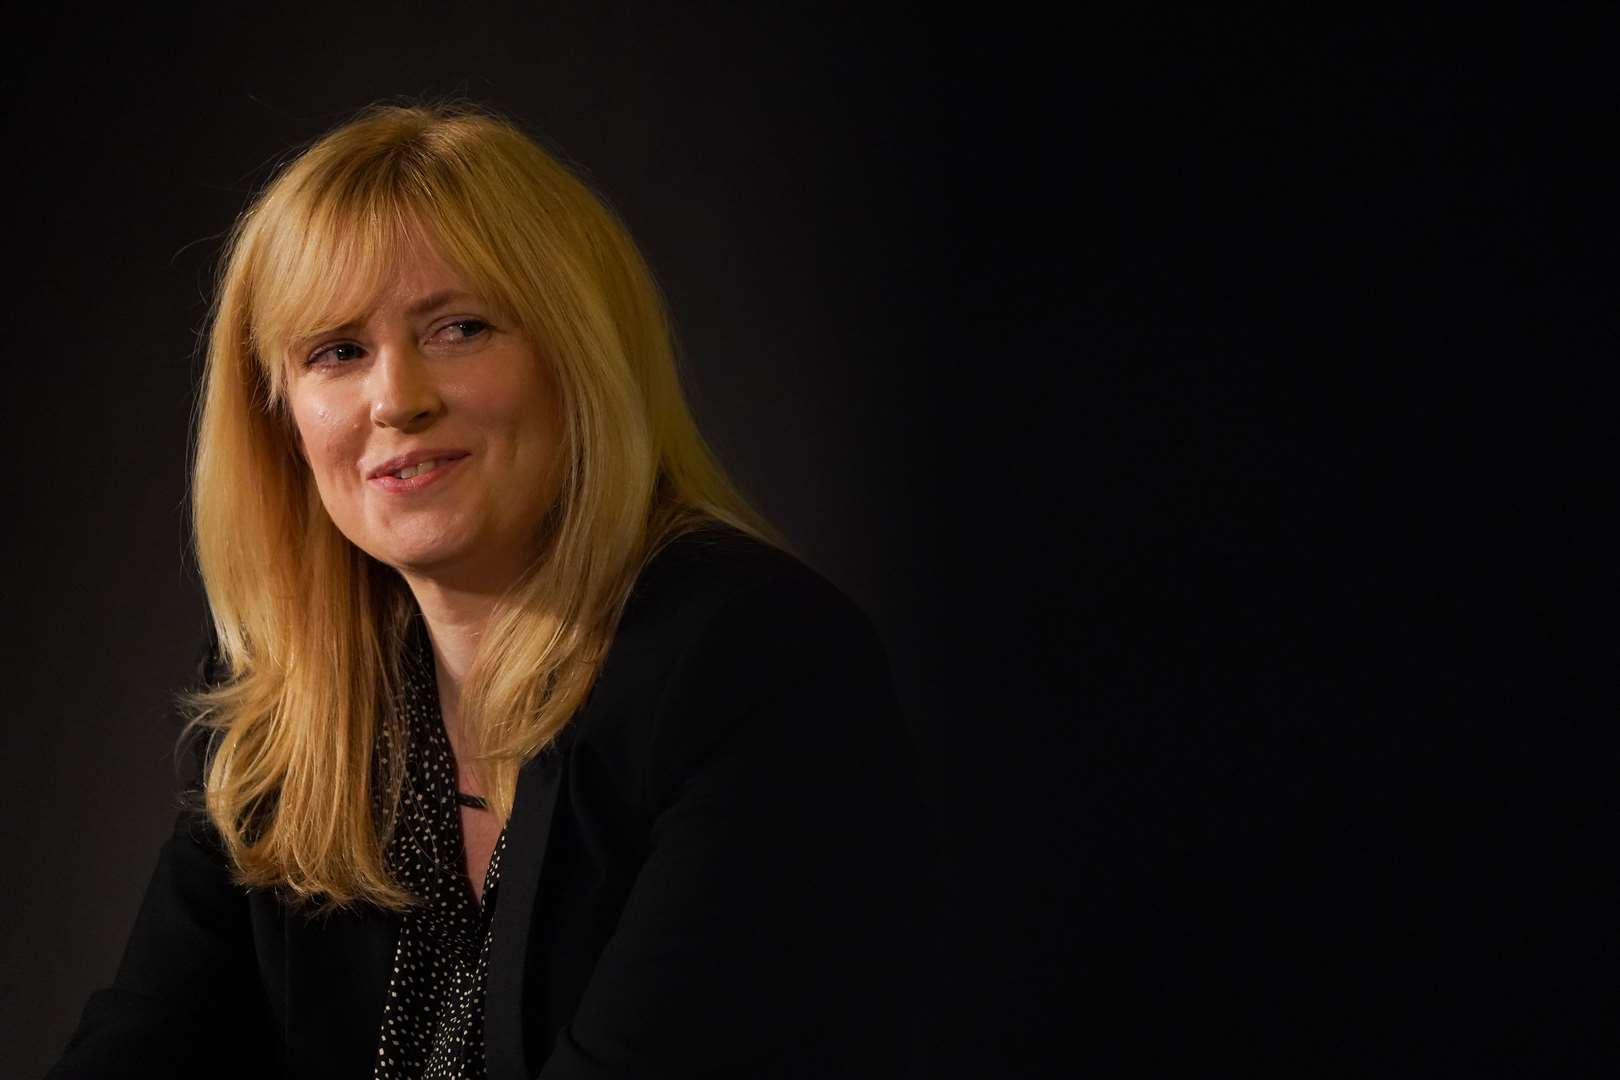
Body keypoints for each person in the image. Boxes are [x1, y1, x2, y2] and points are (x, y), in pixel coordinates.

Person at [48, 102, 933, 1079]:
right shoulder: (293, 695)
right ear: (280, 420)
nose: (397, 399)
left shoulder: (760, 661)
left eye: (460, 328)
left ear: (579, 357)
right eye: (337, 351)